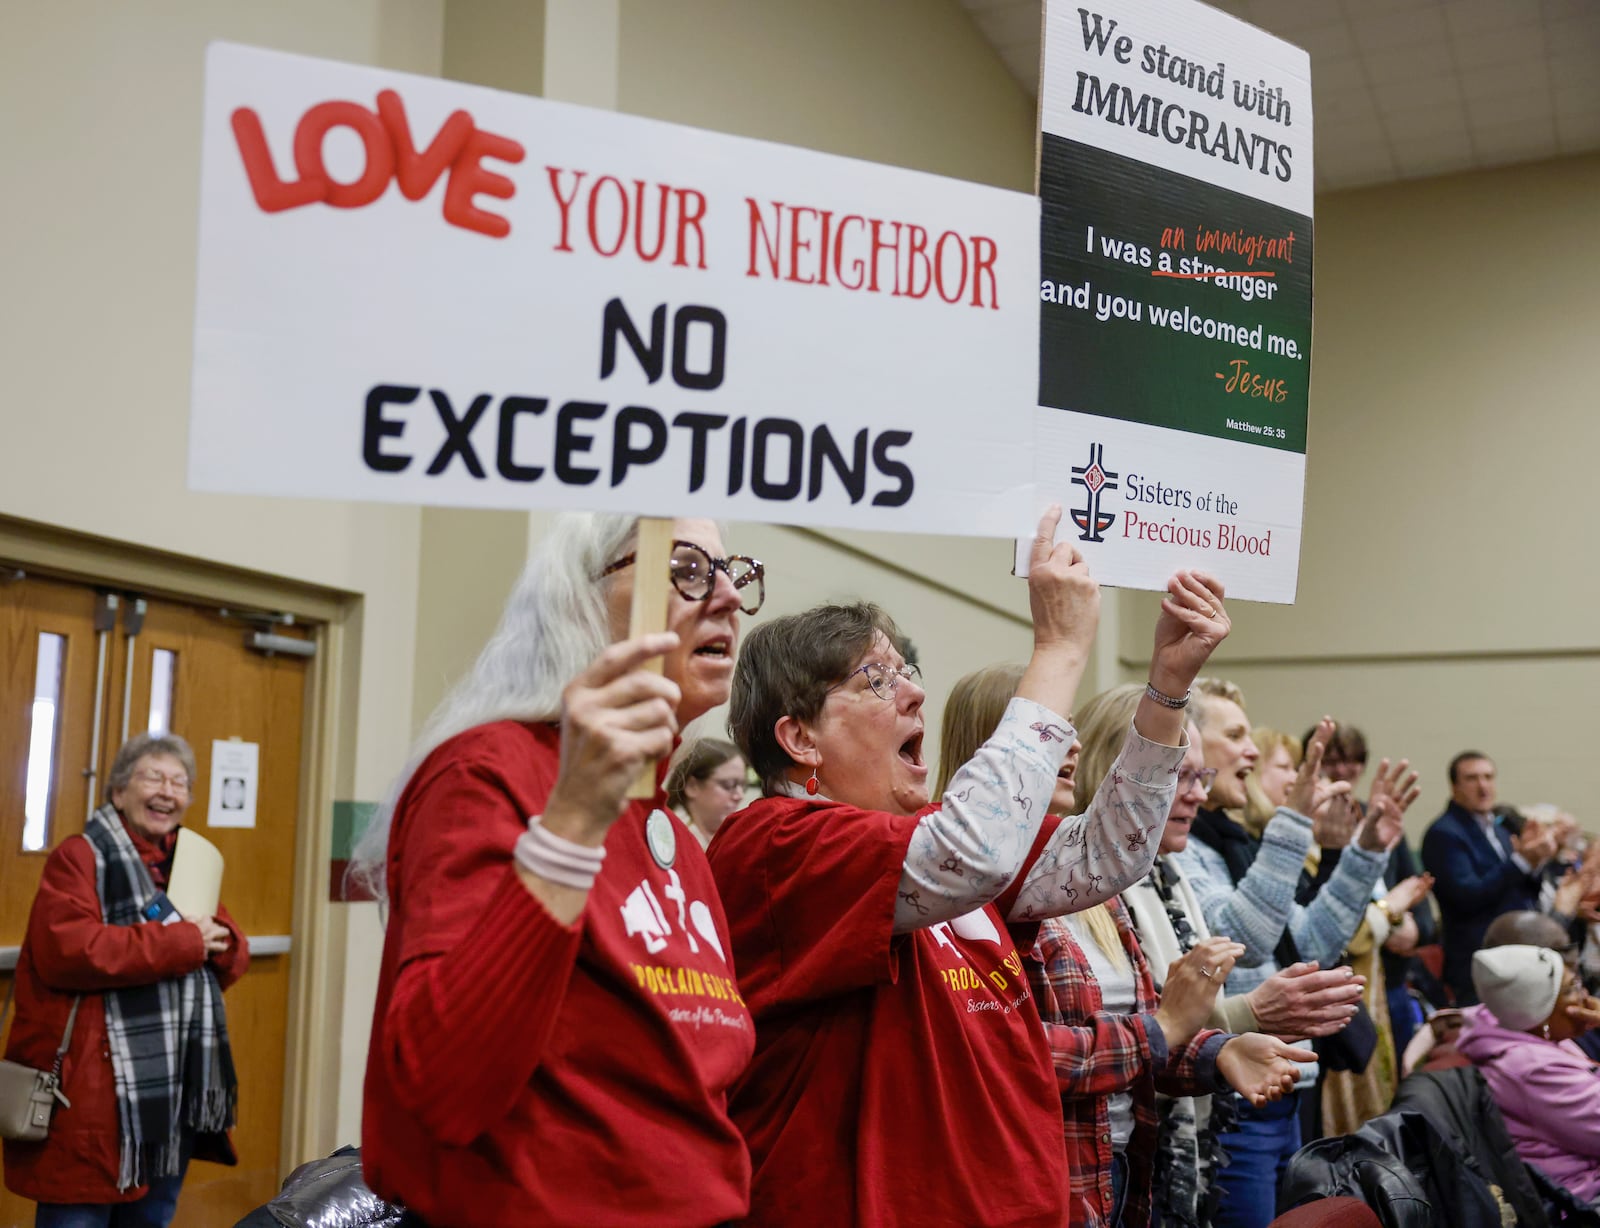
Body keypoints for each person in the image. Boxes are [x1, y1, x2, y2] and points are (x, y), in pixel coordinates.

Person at [708, 508, 1230, 1226]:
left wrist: (1167, 687)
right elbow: (975, 851)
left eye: (908, 672)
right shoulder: (774, 844)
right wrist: (1058, 648)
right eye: (876, 680)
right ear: (799, 738)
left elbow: (1110, 855)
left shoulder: (923, 840)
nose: (915, 692)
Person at [353, 515, 763, 1228]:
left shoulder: (676, 838)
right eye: (689, 568)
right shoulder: (487, 773)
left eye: (735, 573)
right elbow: (445, 1083)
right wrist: (572, 822)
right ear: (582, 594)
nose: (727, 595)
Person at [938, 667, 1319, 1228]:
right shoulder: (959, 891)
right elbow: (1013, 1056)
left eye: (1071, 728)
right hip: (1043, 1179)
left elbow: (1143, 1028)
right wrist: (1187, 1024)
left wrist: (1219, 1052)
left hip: (1120, 1163)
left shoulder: (1091, 884)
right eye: (1050, 731)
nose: (1071, 743)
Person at [1070, 686, 1365, 1228]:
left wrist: (1361, 853)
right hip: (1106, 1151)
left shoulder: (1169, 869)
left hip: (1195, 1117)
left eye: (1200, 778)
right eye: (1182, 777)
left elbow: (1299, 943)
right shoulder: (1079, 884)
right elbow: (1151, 1021)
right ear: (1120, 773)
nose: (1197, 794)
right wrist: (1245, 1015)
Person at [1175, 685, 1413, 1228]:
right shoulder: (1188, 851)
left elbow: (1311, 943)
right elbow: (1243, 940)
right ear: (1185, 743)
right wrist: (1294, 823)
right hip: (1230, 1090)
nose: (1252, 752)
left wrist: (1365, 852)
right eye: (1235, 735)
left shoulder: (1231, 840)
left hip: (1285, 1084)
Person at [2, 733, 247, 1228]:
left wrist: (228, 944)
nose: (167, 792)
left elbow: (216, 949)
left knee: (151, 1219)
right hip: (89, 1096)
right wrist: (185, 944)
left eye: (180, 783)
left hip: (167, 1098)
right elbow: (71, 952)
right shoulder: (80, 857)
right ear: (118, 791)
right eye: (153, 777)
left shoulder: (189, 861)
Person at [1456, 944, 1600, 1205]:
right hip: (1582, 1203)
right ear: (1538, 1011)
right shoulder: (1534, 1070)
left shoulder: (1525, 1031)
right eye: (1570, 989)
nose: (1585, 996)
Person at [1421, 751, 1556, 1003]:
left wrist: (1536, 863)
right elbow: (1467, 896)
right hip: (1479, 957)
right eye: (1472, 778)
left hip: (1518, 950)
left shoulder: (1500, 828)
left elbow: (1522, 888)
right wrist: (1522, 861)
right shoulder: (1444, 833)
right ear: (1455, 786)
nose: (1483, 786)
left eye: (1488, 777)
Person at [664, 737, 747, 848]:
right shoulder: (668, 836)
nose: (739, 796)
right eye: (729, 785)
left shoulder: (729, 837)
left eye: (742, 786)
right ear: (692, 786)